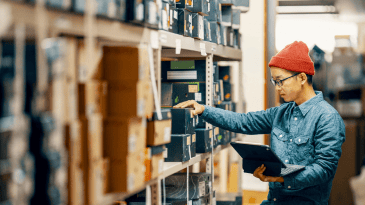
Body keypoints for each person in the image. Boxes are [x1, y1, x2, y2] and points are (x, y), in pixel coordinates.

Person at [173, 41, 346, 205]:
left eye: (281, 81)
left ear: (301, 78)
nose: (277, 87)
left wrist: (281, 178)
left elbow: (324, 169)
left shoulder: (327, 118)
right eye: (274, 81)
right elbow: (243, 121)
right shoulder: (281, 113)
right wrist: (204, 110)